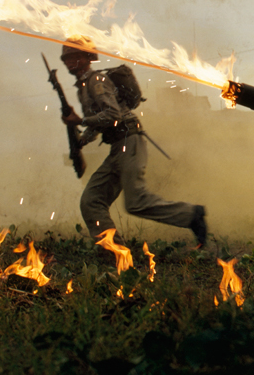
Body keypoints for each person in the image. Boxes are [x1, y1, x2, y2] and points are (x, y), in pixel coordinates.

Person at [59, 35, 208, 248]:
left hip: (129, 141)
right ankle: (115, 252)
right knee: (91, 201)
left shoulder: (96, 81)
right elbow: (99, 122)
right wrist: (82, 140)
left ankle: (192, 215)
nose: (69, 62)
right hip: (118, 147)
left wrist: (79, 120)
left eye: (74, 57)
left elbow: (113, 115)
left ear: (87, 58)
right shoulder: (84, 86)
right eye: (66, 58)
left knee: (136, 202)